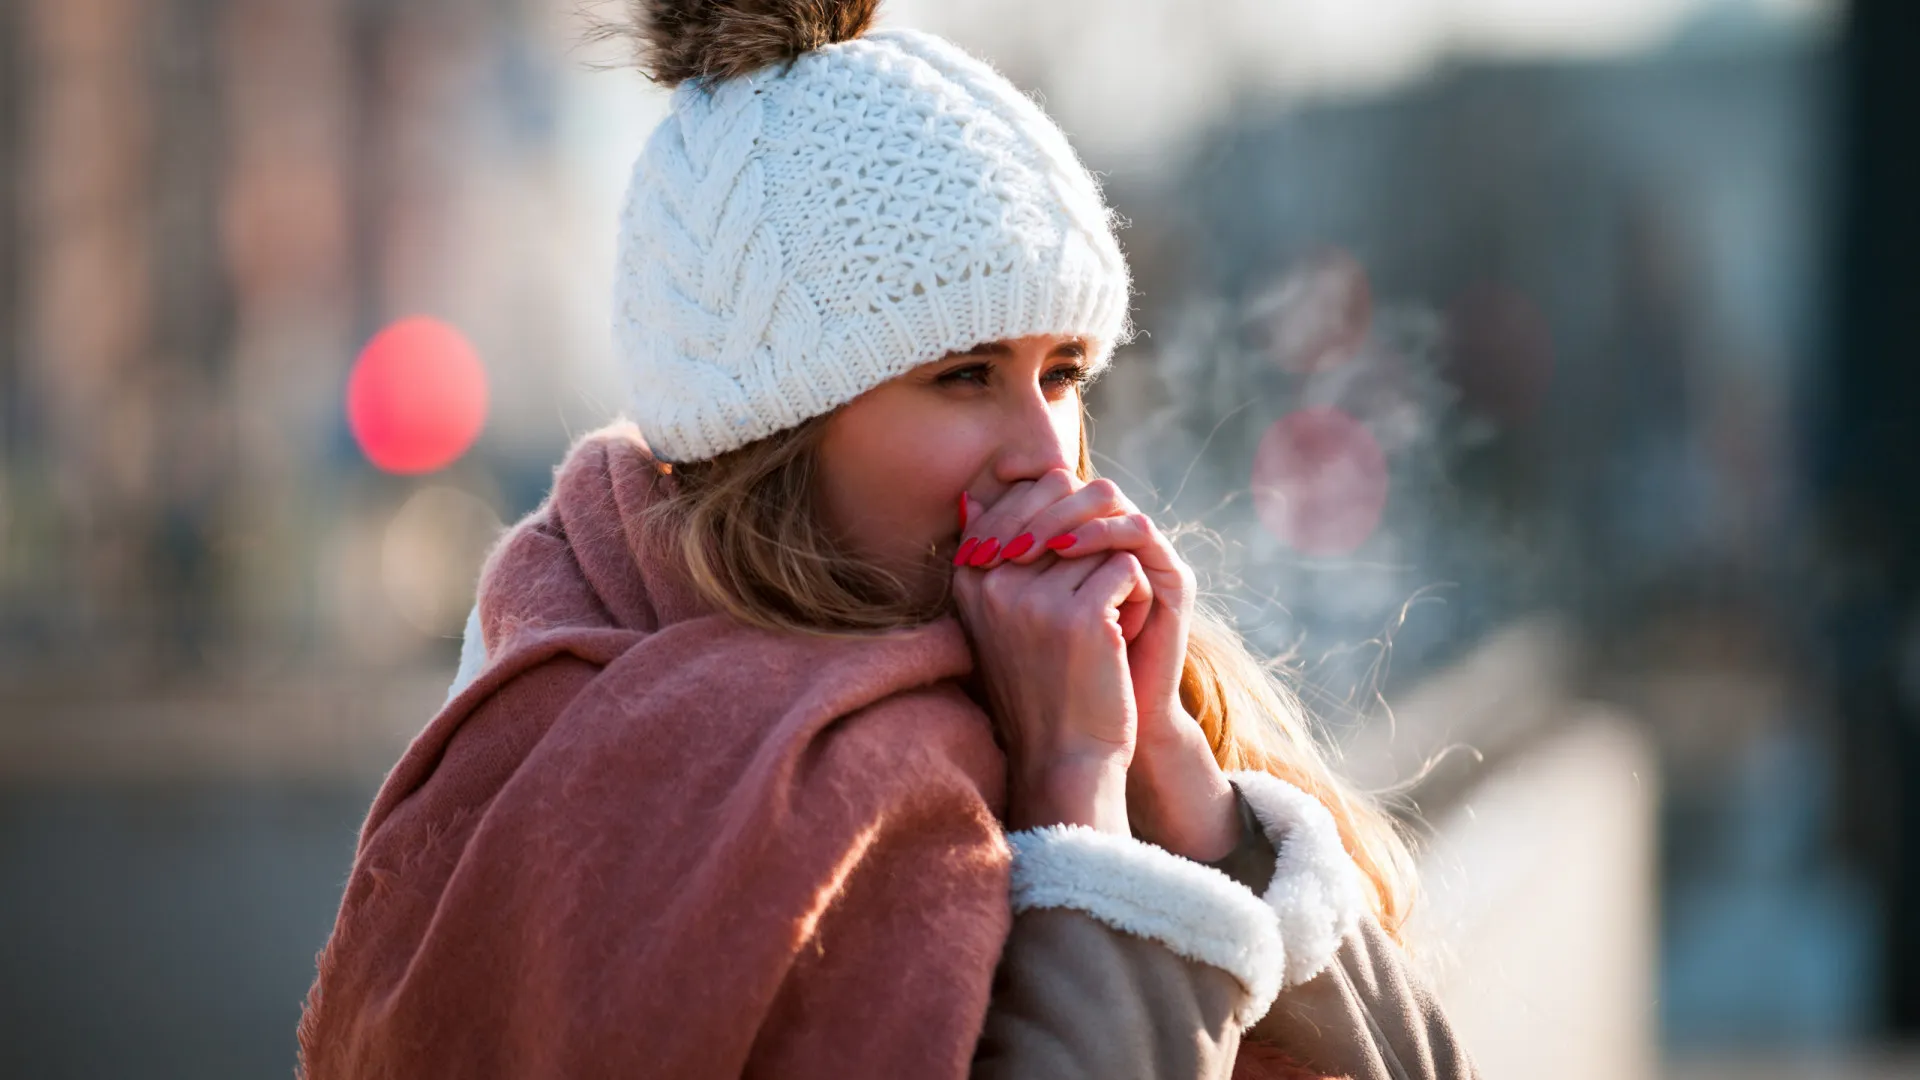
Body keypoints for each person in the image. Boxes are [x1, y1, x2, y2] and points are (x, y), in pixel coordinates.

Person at [298, 3, 1479, 1078]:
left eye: (1061, 372)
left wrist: (1176, 778)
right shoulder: (606, 750)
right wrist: (1077, 805)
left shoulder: (1122, 688)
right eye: (963, 376)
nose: (1047, 455)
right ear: (776, 439)